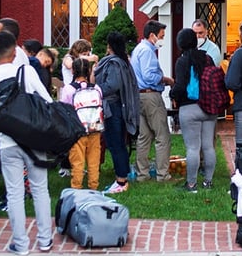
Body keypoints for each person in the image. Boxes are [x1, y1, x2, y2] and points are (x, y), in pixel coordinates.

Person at [0, 31, 54, 255]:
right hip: (34, 139)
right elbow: (47, 100)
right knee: (40, 189)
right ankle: (45, 240)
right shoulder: (27, 71)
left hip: (8, 141)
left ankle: (20, 244)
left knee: (14, 193)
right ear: (15, 51)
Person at [169, 28, 218, 193]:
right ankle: (209, 183)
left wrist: (172, 93)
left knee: (193, 148)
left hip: (189, 108)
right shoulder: (208, 58)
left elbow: (181, 86)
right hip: (209, 107)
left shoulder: (182, 61)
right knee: (208, 147)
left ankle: (191, 185)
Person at [93, 31, 139, 193]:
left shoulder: (113, 64)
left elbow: (112, 85)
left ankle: (121, 181)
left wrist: (96, 89)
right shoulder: (123, 62)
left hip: (112, 109)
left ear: (109, 46)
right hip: (118, 107)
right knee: (118, 143)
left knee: (115, 144)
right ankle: (123, 177)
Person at [131, 20, 175, 182]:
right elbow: (149, 76)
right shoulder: (148, 51)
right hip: (151, 96)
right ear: (152, 35)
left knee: (144, 136)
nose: (162, 39)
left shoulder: (138, 49)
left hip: (139, 96)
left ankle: (142, 174)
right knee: (162, 136)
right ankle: (163, 175)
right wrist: (165, 79)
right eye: (161, 36)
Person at [59, 58, 102, 190]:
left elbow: (64, 110)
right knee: (94, 160)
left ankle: (76, 187)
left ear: (73, 70)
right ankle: (93, 187)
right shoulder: (96, 88)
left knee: (77, 161)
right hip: (95, 128)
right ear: (89, 71)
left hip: (77, 130)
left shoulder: (69, 89)